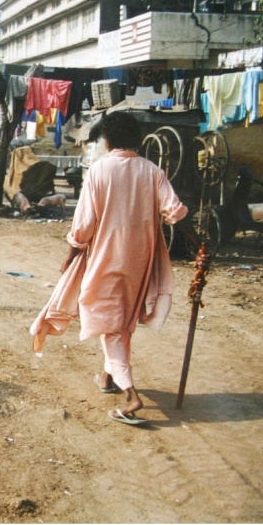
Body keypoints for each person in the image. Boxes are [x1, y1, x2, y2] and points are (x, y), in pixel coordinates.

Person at [29, 111, 197, 426]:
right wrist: (199, 244)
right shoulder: (152, 171)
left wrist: (72, 252)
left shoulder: (99, 171)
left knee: (108, 321)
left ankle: (131, 396)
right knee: (120, 320)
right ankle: (107, 377)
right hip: (140, 262)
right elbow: (176, 211)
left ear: (106, 141)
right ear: (137, 140)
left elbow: (84, 225)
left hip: (106, 258)